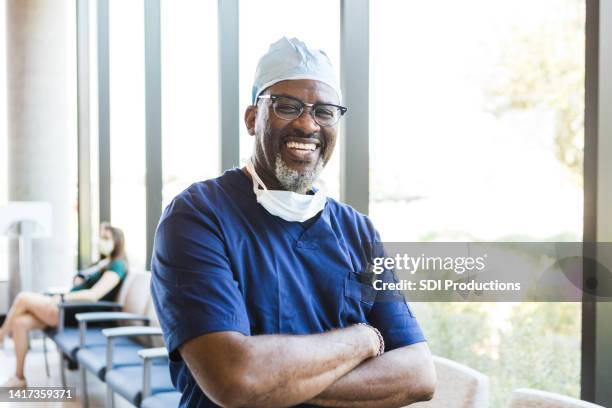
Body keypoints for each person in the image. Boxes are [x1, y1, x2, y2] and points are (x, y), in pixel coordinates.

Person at [151, 37, 436, 407]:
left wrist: (278, 382)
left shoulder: (358, 231)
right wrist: (365, 339)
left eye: (324, 111)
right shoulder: (197, 217)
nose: (307, 125)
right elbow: (236, 378)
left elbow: (418, 374)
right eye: (287, 107)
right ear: (253, 119)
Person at [0, 222, 128, 387]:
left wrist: (64, 297)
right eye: (100, 236)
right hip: (68, 309)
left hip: (76, 313)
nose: (100, 241)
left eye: (105, 237)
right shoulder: (104, 263)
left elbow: (94, 295)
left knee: (23, 298)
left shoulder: (118, 265)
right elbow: (86, 282)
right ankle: (19, 378)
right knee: (20, 323)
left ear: (117, 241)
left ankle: (1, 335)